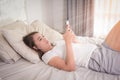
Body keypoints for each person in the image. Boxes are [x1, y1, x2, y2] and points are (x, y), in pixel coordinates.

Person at [23, 25, 120, 75]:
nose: (45, 39)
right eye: (40, 39)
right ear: (35, 47)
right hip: (95, 59)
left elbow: (77, 45)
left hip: (98, 48)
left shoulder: (57, 42)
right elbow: (70, 67)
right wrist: (68, 42)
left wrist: (72, 37)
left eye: (43, 36)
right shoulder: (47, 56)